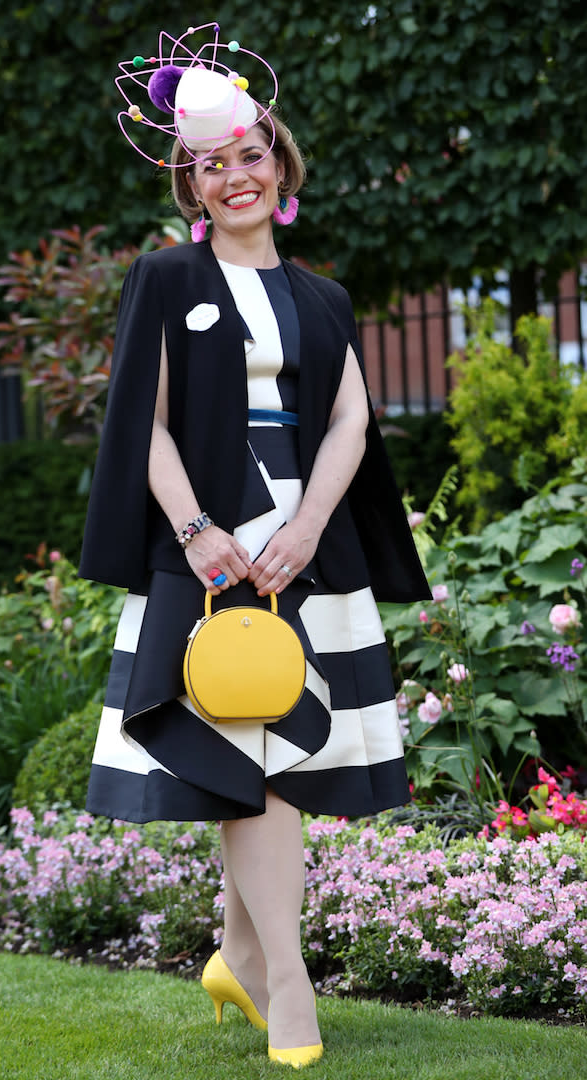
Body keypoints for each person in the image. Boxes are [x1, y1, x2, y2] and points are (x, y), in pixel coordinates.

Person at [79, 22, 430, 1069]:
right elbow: (137, 419)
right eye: (210, 165)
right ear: (188, 185)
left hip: (306, 550)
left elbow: (351, 425)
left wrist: (311, 527)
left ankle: (239, 953)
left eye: (249, 155)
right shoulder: (164, 281)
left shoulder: (324, 299)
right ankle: (290, 988)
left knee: (274, 760)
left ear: (278, 161)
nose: (234, 176)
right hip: (209, 550)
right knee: (252, 758)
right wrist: (194, 532)